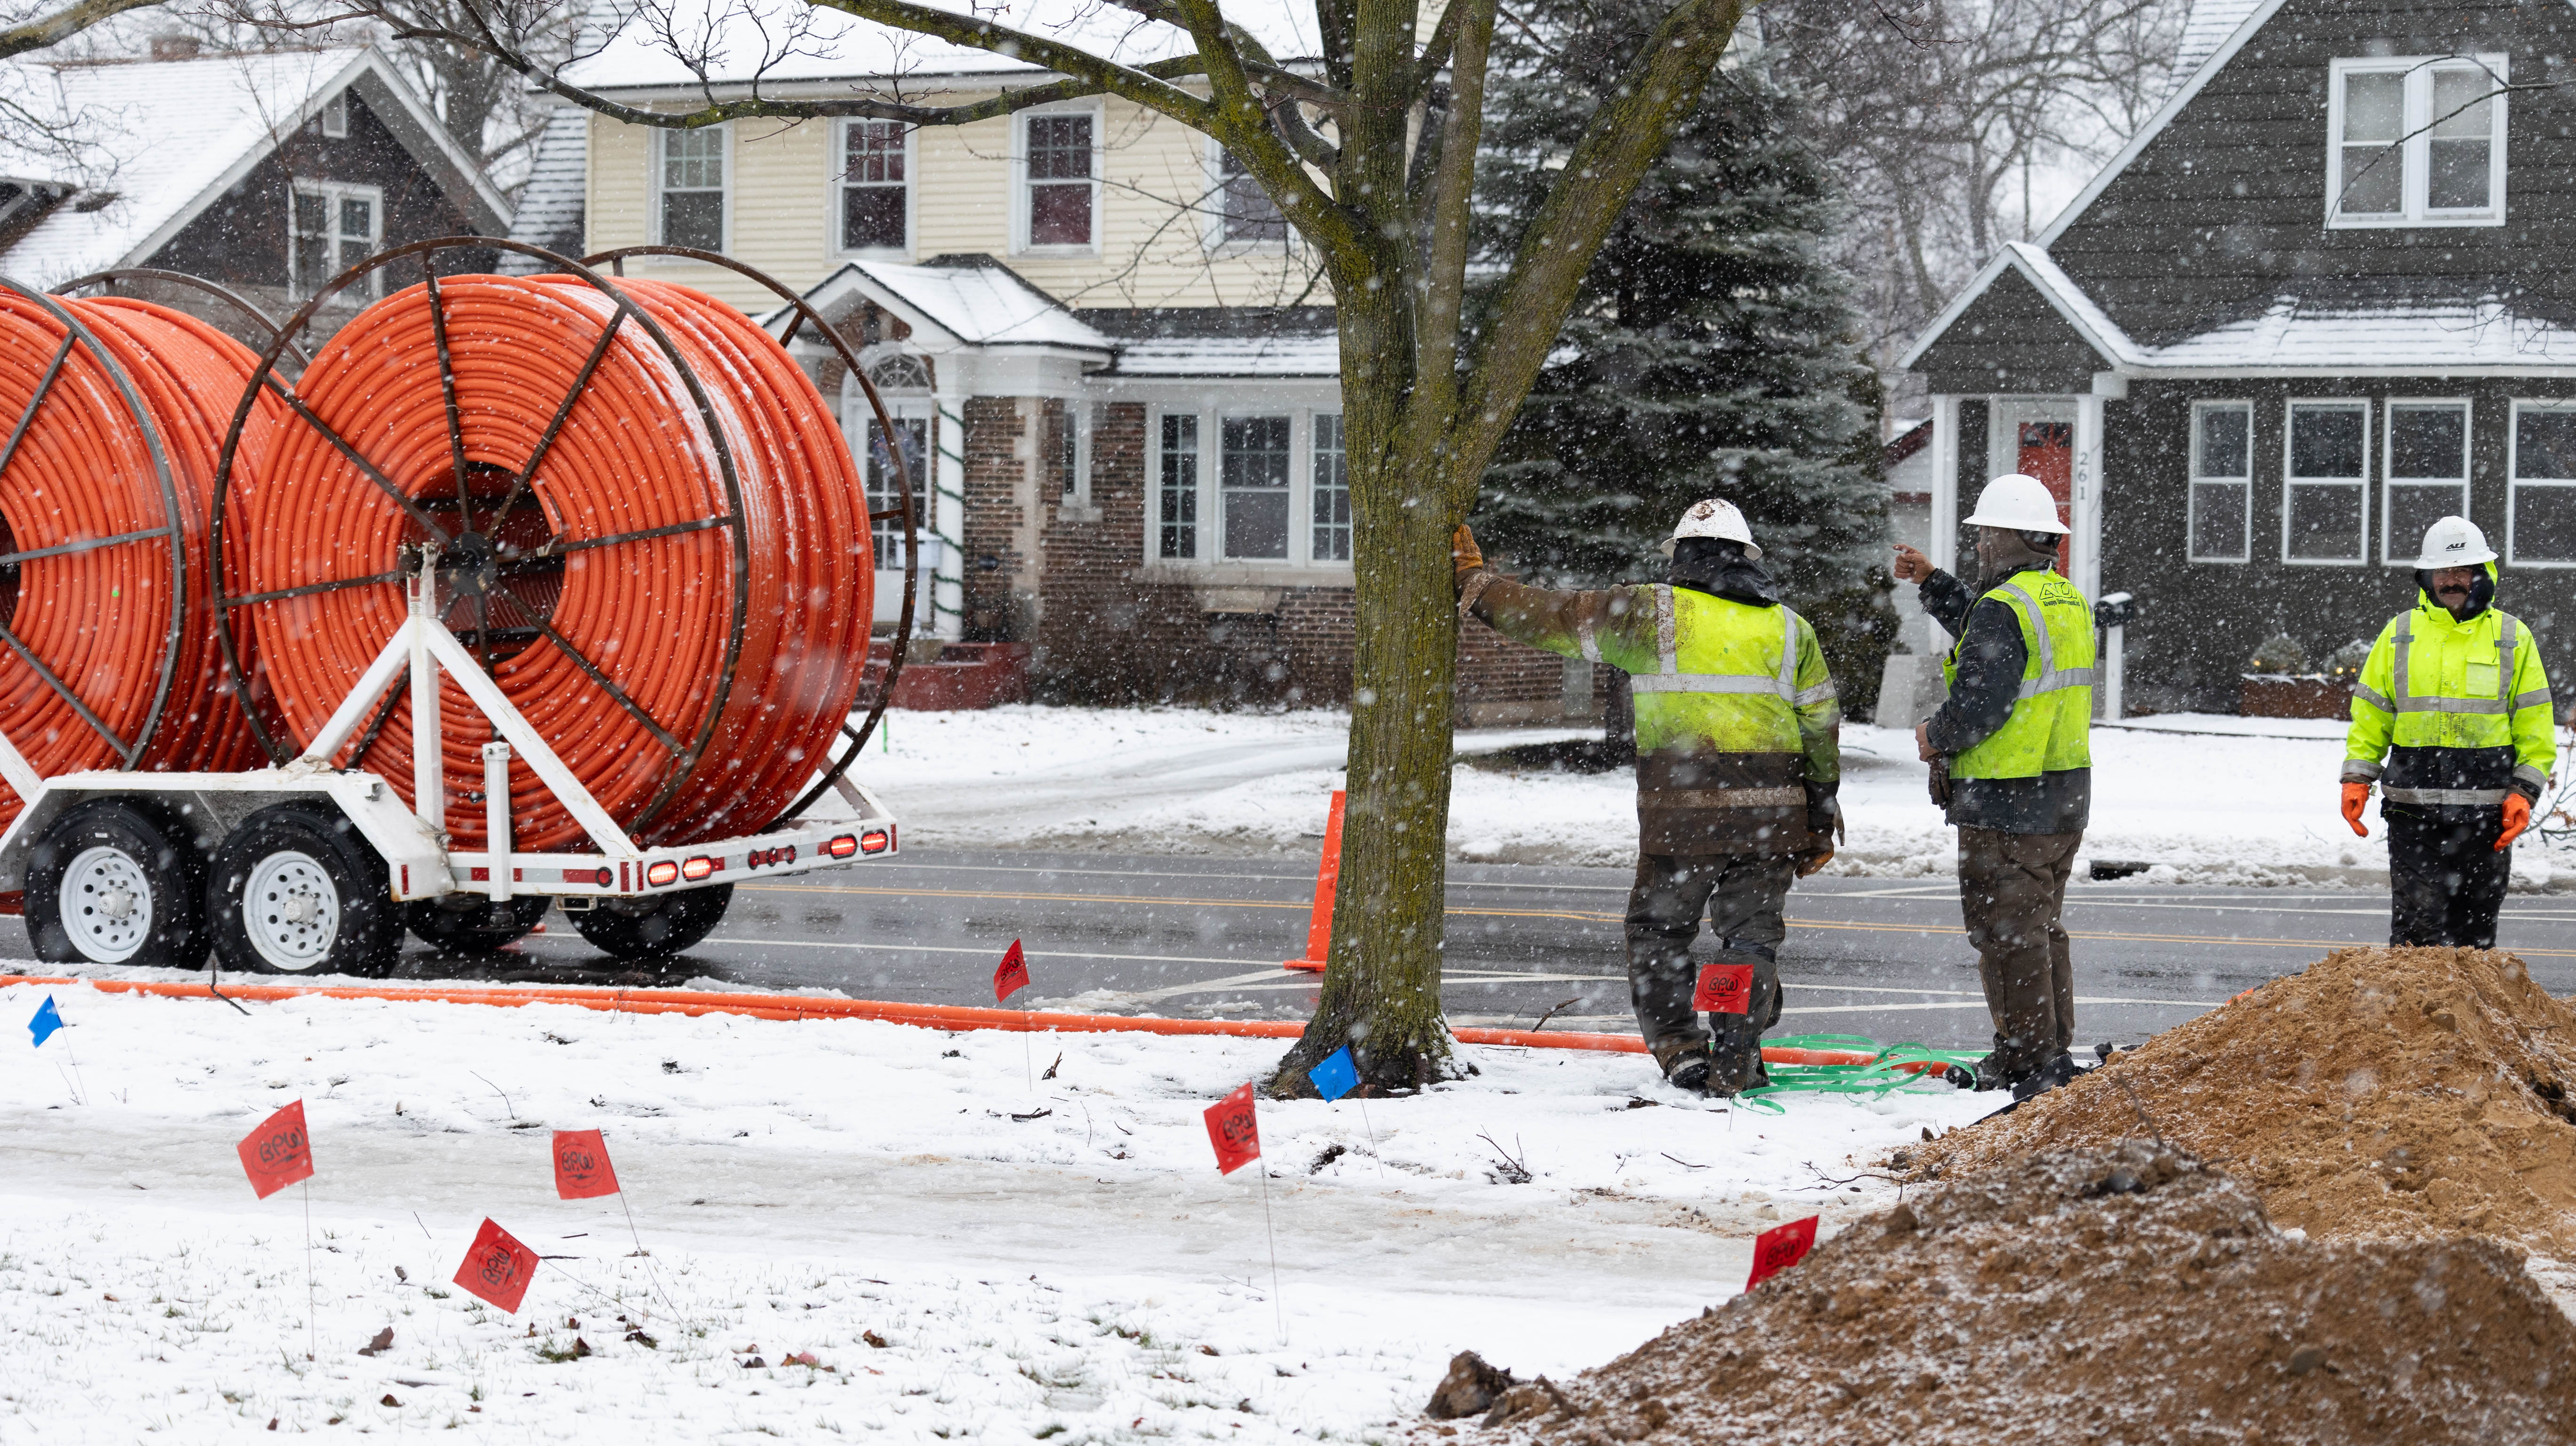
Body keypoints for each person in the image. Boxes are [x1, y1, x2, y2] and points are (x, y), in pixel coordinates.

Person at [1452, 499, 1839, 1096]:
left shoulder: (1652, 614)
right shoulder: (1790, 628)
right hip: (1772, 817)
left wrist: (1475, 583)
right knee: (1750, 938)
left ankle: (1683, 1052)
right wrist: (1820, 818)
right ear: (1747, 559)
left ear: (1682, 556)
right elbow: (1820, 729)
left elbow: (1547, 616)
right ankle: (1739, 1057)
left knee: (1660, 933)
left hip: (1682, 819)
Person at [1889, 473, 2093, 1101]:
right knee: (2040, 930)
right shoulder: (2060, 599)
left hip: (2009, 801)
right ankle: (2048, 1051)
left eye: (1984, 534)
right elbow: (1988, 636)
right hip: (2061, 796)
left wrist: (1935, 733)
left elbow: (1983, 698)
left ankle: (2029, 1062)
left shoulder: (2007, 610)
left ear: (2006, 538)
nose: (1979, 545)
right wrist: (1932, 582)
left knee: (2007, 935)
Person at [2342, 516, 2554, 948]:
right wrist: (2356, 777)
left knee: (2473, 941)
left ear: (2481, 573)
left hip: (2485, 818)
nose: (2452, 580)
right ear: (2427, 576)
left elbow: (2535, 728)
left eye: (2461, 570)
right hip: (2412, 815)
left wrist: (2524, 791)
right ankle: (2411, 1018)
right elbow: (2371, 714)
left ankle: (2465, 1019)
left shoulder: (2513, 638)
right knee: (2415, 936)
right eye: (2443, 571)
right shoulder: (2399, 635)